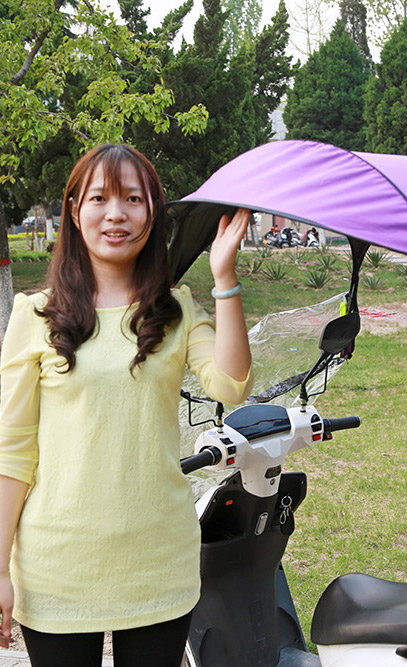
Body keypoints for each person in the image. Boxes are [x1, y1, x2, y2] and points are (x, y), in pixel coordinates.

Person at [0, 144, 253, 666]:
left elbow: (231, 385)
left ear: (152, 212)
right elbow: (11, 452)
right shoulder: (35, 314)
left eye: (133, 199)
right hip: (58, 565)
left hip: (157, 561)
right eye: (99, 199)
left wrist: (225, 278)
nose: (116, 214)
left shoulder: (176, 310)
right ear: (74, 211)